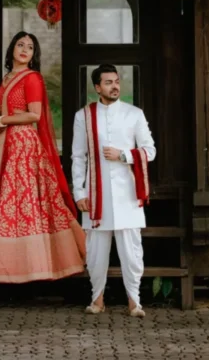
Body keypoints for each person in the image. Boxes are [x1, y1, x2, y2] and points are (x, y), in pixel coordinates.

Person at [0, 31, 85, 283]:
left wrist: (2, 120)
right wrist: (0, 124)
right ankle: (19, 261)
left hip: (24, 144)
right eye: (20, 45)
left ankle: (36, 262)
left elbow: (34, 115)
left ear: (34, 55)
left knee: (23, 200)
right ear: (12, 48)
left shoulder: (32, 78)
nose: (24, 50)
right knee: (16, 200)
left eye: (30, 47)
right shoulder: (7, 78)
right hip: (8, 142)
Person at [71, 64, 156, 317]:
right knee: (96, 251)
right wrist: (79, 192)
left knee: (131, 250)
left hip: (128, 193)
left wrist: (123, 155)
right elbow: (78, 156)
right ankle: (97, 300)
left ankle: (134, 302)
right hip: (96, 194)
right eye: (108, 82)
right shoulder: (83, 116)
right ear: (97, 87)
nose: (114, 86)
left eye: (117, 81)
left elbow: (150, 151)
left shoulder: (134, 114)